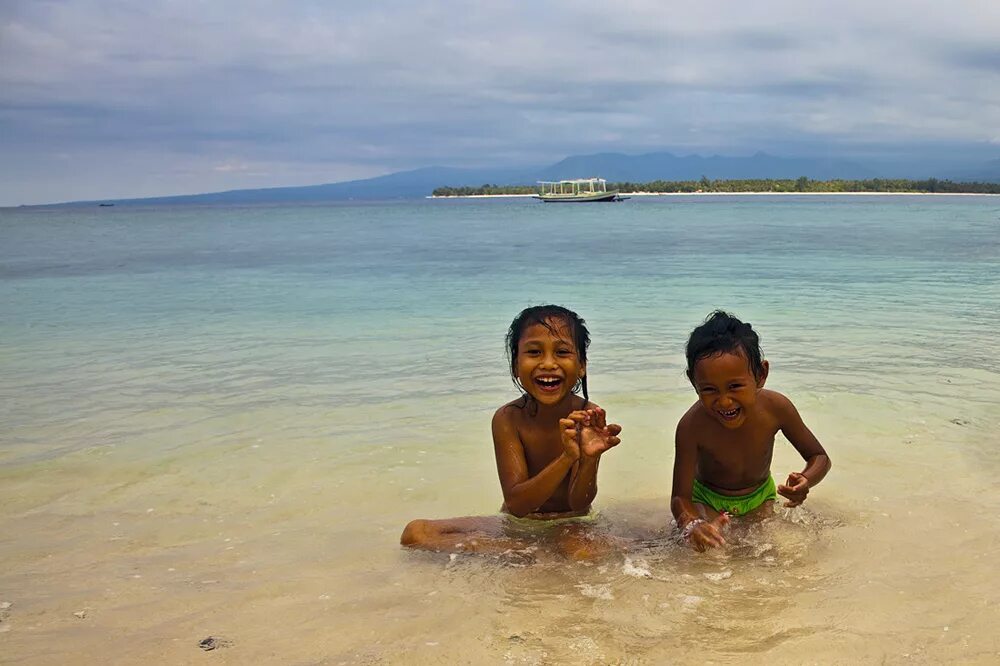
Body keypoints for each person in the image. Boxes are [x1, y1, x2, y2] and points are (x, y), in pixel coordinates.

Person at [400, 305, 622, 559]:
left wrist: (589, 458)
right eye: (534, 352)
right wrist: (567, 458)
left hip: (572, 524)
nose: (548, 363)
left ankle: (530, 554)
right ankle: (522, 551)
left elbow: (579, 504)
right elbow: (517, 505)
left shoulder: (588, 418)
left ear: (581, 365)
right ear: (516, 365)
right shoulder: (508, 419)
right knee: (415, 533)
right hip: (518, 523)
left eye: (561, 352)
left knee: (582, 553)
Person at [671, 311, 831, 552]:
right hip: (707, 498)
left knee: (777, 553)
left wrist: (806, 480)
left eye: (735, 386)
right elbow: (680, 498)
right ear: (694, 382)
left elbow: (819, 457)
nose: (724, 401)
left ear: (761, 375)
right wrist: (692, 523)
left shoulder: (777, 408)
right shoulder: (691, 427)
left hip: (760, 496)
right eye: (710, 390)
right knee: (709, 555)